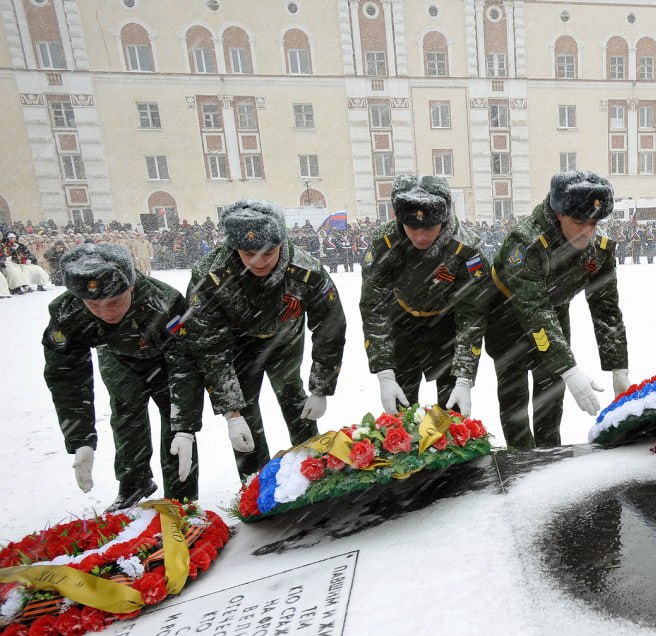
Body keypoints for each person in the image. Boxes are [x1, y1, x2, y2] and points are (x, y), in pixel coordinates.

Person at [187, 199, 347, 478]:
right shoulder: (210, 276)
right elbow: (208, 346)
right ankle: (254, 482)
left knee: (294, 398)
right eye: (248, 254)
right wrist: (231, 414)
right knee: (245, 415)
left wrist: (321, 387)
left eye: (268, 252)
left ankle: (313, 467)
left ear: (281, 242)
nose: (258, 262)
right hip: (238, 344)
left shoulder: (306, 271)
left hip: (284, 338)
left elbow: (330, 328)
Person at [42, 243, 203, 510]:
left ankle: (181, 493)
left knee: (174, 425)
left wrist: (185, 426)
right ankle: (134, 481)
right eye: (94, 304)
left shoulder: (164, 301)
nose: (106, 312)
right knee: (126, 414)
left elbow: (185, 363)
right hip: (118, 357)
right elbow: (66, 376)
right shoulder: (67, 312)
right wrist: (80, 440)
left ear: (130, 286)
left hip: (165, 361)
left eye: (115, 302)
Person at [487, 170, 628, 449]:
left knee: (551, 393)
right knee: (514, 395)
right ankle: (521, 459)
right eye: (579, 222)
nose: (588, 232)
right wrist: (569, 368)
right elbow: (533, 306)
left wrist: (618, 366)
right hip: (507, 316)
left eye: (594, 223)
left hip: (554, 310)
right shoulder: (525, 242)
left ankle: (550, 456)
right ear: (559, 213)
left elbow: (606, 307)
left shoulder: (598, 249)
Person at [360, 175, 490, 414]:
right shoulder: (384, 245)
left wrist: (463, 376)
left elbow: (472, 314)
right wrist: (385, 373)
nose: (420, 237)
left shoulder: (466, 249)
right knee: (401, 415)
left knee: (452, 415)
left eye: (429, 228)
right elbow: (373, 306)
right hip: (401, 322)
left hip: (447, 327)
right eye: (412, 228)